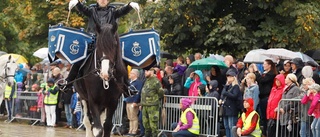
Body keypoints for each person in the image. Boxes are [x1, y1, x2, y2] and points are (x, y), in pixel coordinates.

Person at [62, 0, 140, 90]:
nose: (103, 0)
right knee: (79, 58)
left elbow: (122, 11)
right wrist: (77, 3)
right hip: (93, 41)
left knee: (122, 59)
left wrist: (129, 5)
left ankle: (127, 86)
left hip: (108, 42)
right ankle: (69, 82)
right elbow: (83, 9)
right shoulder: (92, 10)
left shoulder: (113, 11)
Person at [253, 59, 277, 136]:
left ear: (269, 65)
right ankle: (264, 132)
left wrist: (256, 71)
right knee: (263, 116)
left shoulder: (271, 74)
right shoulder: (264, 73)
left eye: (264, 64)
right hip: (262, 96)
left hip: (267, 96)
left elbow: (262, 80)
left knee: (266, 117)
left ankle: (267, 133)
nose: (263, 65)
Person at [140, 68, 164, 137]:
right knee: (145, 123)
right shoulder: (146, 81)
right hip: (145, 105)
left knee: (153, 124)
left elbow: (161, 92)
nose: (145, 72)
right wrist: (141, 103)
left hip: (152, 106)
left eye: (147, 71)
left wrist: (154, 99)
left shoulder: (155, 81)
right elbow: (143, 93)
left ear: (152, 72)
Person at [219, 70, 242, 137]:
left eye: (230, 76)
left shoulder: (236, 87)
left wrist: (226, 93)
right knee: (226, 126)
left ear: (234, 77)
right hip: (226, 108)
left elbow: (234, 95)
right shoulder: (227, 86)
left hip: (232, 108)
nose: (228, 78)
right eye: (227, 76)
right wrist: (226, 85)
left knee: (231, 126)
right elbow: (222, 93)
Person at [125, 69, 143, 136]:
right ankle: (130, 130)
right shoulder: (129, 82)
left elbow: (138, 93)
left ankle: (134, 131)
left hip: (133, 102)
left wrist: (136, 101)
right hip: (128, 101)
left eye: (131, 73)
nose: (130, 74)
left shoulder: (138, 83)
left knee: (134, 117)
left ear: (135, 74)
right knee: (129, 117)